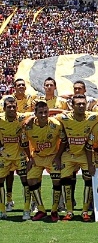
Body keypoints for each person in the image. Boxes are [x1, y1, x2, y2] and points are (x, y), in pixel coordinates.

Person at [56, 94, 98, 221]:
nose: (81, 106)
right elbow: (48, 118)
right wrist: (30, 118)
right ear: (72, 106)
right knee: (65, 181)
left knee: (89, 181)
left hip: (84, 154)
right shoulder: (64, 118)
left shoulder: (93, 117)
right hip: (68, 154)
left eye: (83, 103)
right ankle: (69, 211)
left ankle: (85, 211)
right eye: (78, 104)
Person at [22, 101, 67, 221]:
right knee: (31, 180)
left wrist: (58, 157)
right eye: (40, 112)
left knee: (57, 181)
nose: (43, 115)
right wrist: (30, 158)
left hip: (52, 156)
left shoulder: (56, 124)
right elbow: (24, 142)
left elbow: (63, 140)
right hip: (37, 157)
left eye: (46, 112)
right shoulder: (28, 126)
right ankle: (41, 210)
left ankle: (54, 210)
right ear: (35, 113)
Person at [0, 78, 36, 213]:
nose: (11, 109)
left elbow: (38, 113)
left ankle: (27, 210)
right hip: (4, 156)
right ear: (4, 109)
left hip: (20, 155)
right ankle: (2, 209)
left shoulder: (21, 117)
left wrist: (31, 118)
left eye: (13, 107)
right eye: (8, 107)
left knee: (25, 181)